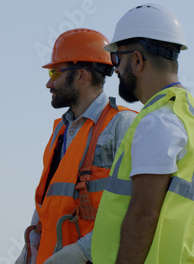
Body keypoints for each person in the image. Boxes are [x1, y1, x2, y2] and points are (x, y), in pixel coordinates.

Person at [16, 28, 137, 264]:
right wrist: (27, 253)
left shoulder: (122, 124)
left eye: (55, 72)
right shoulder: (59, 132)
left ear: (81, 76)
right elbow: (47, 204)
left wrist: (83, 252)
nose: (49, 83)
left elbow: (135, 208)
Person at [92, 4, 194, 264]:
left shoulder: (157, 123)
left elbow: (143, 215)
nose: (115, 69)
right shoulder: (185, 113)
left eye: (117, 58)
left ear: (137, 60)